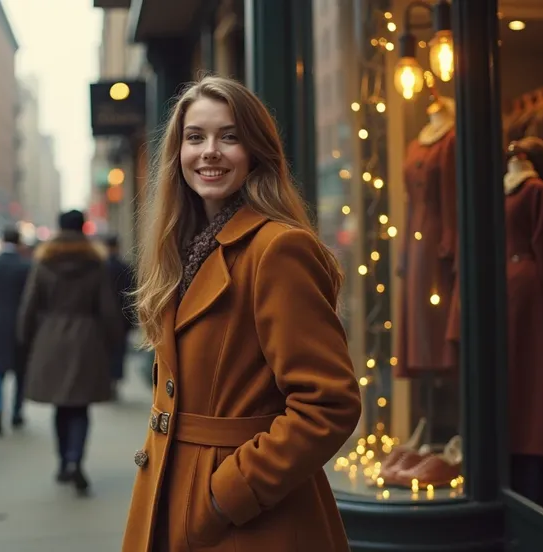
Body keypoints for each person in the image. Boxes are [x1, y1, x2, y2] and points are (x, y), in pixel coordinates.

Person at [121, 75, 362, 552]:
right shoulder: (181, 250)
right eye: (196, 137)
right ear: (178, 153)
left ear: (255, 152)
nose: (209, 151)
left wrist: (226, 494)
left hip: (248, 521)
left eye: (228, 137)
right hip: (174, 495)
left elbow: (328, 403)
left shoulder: (277, 249)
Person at [18, 210, 124, 496]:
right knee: (80, 405)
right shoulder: (95, 263)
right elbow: (107, 307)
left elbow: (30, 305)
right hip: (86, 338)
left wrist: (25, 338)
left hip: (51, 338)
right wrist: (115, 341)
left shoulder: (44, 261)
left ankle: (64, 461)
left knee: (60, 405)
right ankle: (76, 459)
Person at [0, 227, 32, 435]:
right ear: (19, 242)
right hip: (20, 326)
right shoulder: (26, 267)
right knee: (21, 373)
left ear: (2, 241)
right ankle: (17, 413)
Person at [105, 235, 135, 399]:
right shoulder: (125, 268)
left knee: (106, 351)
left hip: (104, 319)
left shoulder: (100, 267)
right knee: (118, 352)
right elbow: (130, 295)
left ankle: (107, 382)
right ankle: (114, 383)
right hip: (121, 318)